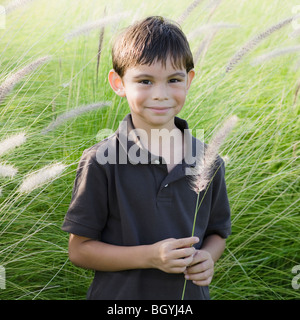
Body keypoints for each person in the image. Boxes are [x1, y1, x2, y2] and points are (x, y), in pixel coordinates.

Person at [61, 16, 231, 300]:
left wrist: (208, 257)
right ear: (119, 83)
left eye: (173, 80)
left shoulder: (208, 159)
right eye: (145, 81)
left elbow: (217, 233)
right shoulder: (102, 160)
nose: (161, 94)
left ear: (188, 81)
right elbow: (79, 249)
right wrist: (150, 256)